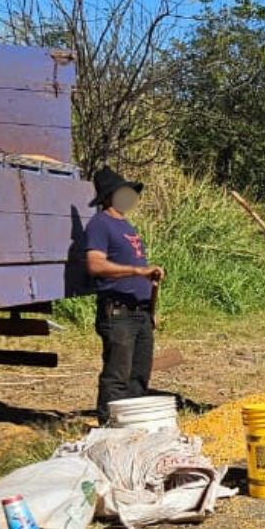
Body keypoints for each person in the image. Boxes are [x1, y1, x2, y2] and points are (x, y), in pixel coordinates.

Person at [82, 168, 164, 423]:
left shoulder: (127, 226)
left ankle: (133, 425)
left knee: (139, 376)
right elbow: (95, 264)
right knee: (117, 375)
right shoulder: (100, 224)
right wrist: (137, 271)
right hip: (118, 313)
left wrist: (150, 309)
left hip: (140, 312)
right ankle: (110, 426)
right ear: (110, 196)